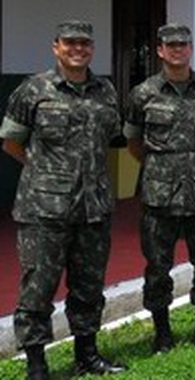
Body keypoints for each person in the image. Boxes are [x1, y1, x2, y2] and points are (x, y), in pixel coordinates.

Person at [0, 21, 126, 379]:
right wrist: (43, 171)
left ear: (92, 49)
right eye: (70, 43)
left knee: (88, 286)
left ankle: (87, 354)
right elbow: (11, 141)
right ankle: (37, 365)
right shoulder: (34, 89)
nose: (78, 49)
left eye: (84, 43)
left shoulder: (105, 91)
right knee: (38, 288)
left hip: (93, 207)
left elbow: (111, 138)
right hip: (43, 209)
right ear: (56, 47)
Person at [124, 24, 195, 353]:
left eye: (183, 44)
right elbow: (133, 142)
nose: (177, 50)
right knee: (158, 267)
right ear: (159, 50)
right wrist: (164, 168)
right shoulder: (143, 93)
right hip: (159, 196)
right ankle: (162, 333)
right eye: (170, 45)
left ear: (190, 49)